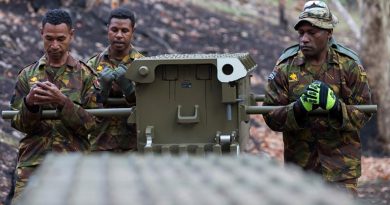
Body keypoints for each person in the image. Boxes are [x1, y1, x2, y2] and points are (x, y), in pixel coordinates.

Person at [263, 1, 372, 196]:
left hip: (341, 170)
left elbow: (364, 113)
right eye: (301, 33)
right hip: (300, 171)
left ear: (329, 33)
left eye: (312, 33)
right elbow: (270, 115)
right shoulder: (285, 67)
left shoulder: (348, 66)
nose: (304, 39)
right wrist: (298, 109)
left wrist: (337, 108)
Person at [9, 9, 101, 199]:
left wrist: (62, 102)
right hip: (33, 165)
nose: (55, 45)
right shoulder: (28, 75)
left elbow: (93, 125)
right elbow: (19, 124)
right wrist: (30, 104)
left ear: (71, 35)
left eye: (61, 38)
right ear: (41, 33)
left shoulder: (85, 76)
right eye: (49, 38)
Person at [87, 7, 143, 152]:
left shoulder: (143, 65)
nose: (119, 35)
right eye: (114, 30)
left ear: (133, 32)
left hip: (134, 146)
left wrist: (129, 90)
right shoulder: (92, 65)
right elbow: (84, 105)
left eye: (124, 31)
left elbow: (153, 104)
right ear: (108, 30)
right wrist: (102, 91)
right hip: (100, 145)